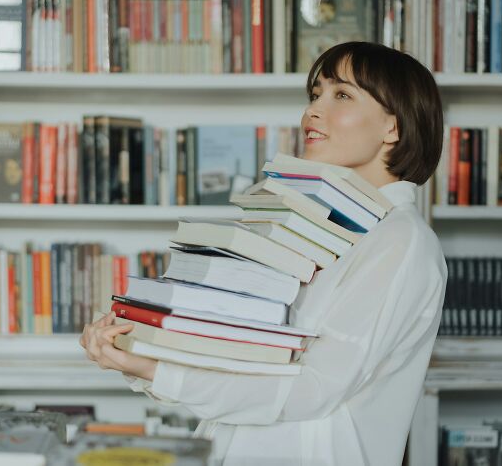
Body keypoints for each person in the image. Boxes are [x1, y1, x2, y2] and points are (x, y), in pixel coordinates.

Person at [80, 41, 447, 466]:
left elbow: (313, 389)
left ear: (394, 127)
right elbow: (249, 360)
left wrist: (156, 371)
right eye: (315, 94)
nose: (313, 111)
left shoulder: (400, 241)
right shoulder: (323, 225)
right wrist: (139, 350)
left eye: (341, 95)